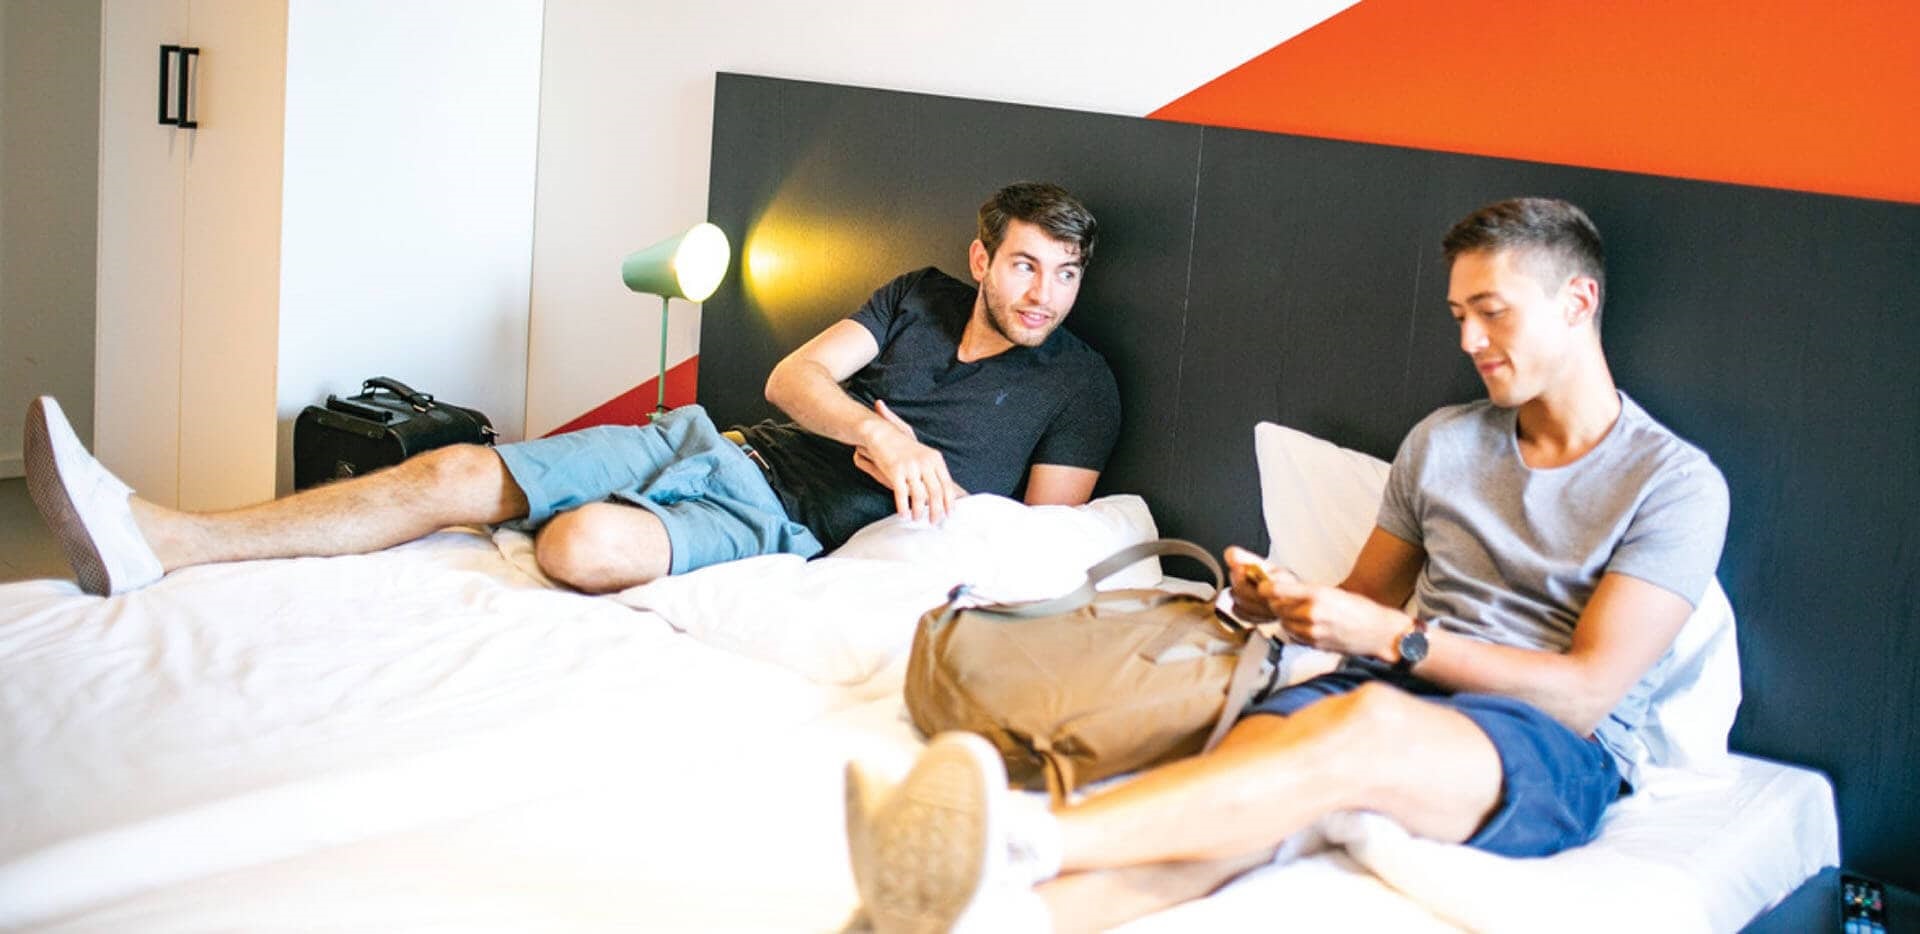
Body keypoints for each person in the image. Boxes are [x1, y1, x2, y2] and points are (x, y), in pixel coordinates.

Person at [843, 197, 1731, 932]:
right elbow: (1357, 601)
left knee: (1367, 729)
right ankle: (948, 918)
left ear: (1576, 302)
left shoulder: (1673, 484)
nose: (1468, 340)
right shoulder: (1445, 443)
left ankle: (1010, 837)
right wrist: (1283, 603)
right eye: (1460, 315)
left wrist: (1394, 639)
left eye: (1492, 310)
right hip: (1378, 689)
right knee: (1216, 814)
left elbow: (1583, 692)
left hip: (1546, 743)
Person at [24, 181, 1121, 597]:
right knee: (454, 466)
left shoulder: (1079, 384)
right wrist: (885, 436)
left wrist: (906, 487)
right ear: (982, 259)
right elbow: (794, 376)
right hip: (720, 437)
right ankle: (165, 536)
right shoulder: (921, 295)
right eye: (1026, 264)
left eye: (1065, 274)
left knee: (579, 548)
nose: (1044, 294)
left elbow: (1034, 545)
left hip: (782, 514)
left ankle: (162, 539)